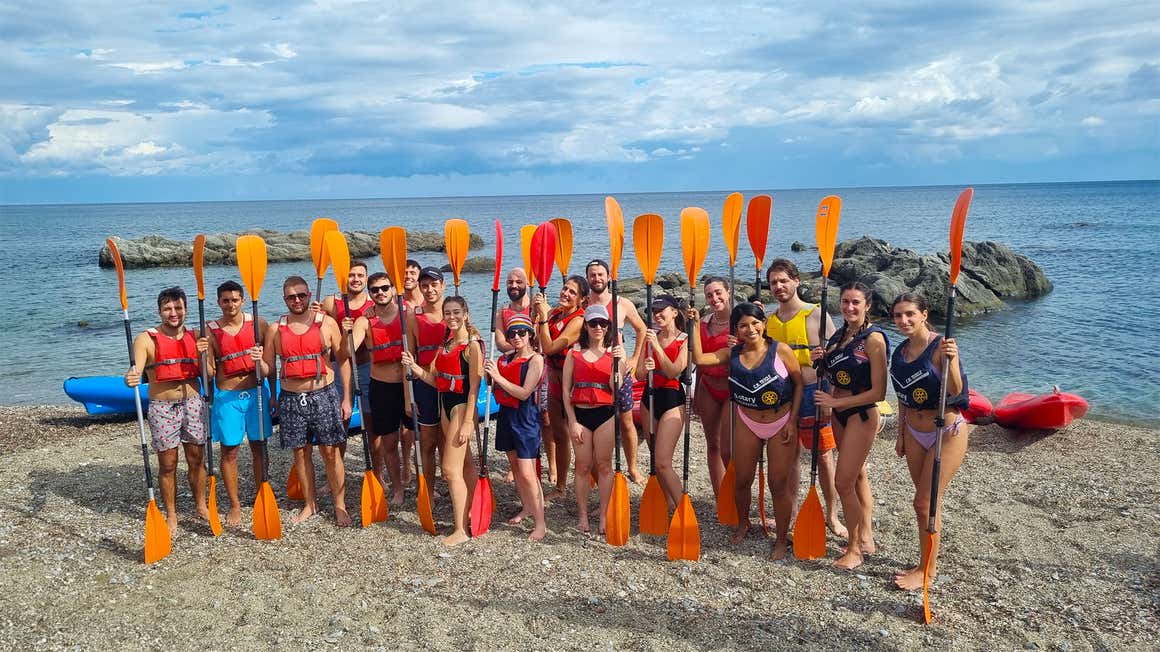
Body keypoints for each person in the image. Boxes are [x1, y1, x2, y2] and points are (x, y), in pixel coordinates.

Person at [689, 302, 803, 559]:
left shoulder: (780, 350)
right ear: (736, 330)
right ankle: (743, 523)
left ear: (763, 324)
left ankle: (782, 539)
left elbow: (798, 384)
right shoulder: (732, 353)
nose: (750, 329)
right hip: (747, 422)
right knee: (741, 480)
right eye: (743, 325)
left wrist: (792, 422)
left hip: (780, 422)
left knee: (778, 484)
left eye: (754, 323)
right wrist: (695, 325)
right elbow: (699, 359)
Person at [889, 292, 970, 590]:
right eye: (898, 315)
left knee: (924, 502)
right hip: (913, 431)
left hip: (945, 432)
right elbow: (901, 397)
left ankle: (928, 571)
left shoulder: (941, 347)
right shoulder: (900, 353)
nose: (904, 320)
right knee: (925, 504)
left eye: (910, 313)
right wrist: (900, 434)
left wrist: (953, 359)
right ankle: (924, 561)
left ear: (924, 313)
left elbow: (957, 390)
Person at [812, 281, 889, 570]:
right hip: (840, 412)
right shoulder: (840, 335)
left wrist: (836, 405)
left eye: (856, 302)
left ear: (867, 305)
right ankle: (866, 537)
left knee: (842, 481)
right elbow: (836, 374)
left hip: (860, 414)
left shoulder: (874, 340)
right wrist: (821, 359)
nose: (849, 307)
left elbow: (879, 393)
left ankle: (855, 550)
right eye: (845, 302)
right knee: (857, 477)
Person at [764, 259, 845, 537]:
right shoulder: (768, 322)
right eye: (774, 282)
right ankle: (794, 511)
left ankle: (832, 515)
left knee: (823, 456)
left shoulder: (816, 315)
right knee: (791, 456)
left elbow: (837, 358)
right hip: (784, 396)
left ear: (796, 281)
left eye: (784, 281)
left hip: (814, 392)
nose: (779, 286)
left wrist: (831, 398)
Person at [263, 276, 353, 526]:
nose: (297, 300)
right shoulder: (274, 329)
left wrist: (346, 398)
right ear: (285, 299)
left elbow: (343, 358)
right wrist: (256, 360)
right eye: (292, 296)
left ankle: (339, 505)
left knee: (331, 452)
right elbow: (268, 368)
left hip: (323, 394)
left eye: (301, 295)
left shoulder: (327, 323)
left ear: (308, 294)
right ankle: (309, 504)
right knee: (300, 454)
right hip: (291, 398)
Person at [124, 287, 210, 537]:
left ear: (185, 309)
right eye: (168, 309)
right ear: (160, 311)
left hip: (193, 403)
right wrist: (130, 377)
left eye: (178, 308)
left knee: (196, 459)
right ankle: (171, 513)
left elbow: (211, 372)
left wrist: (203, 354)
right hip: (162, 407)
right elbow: (135, 370)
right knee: (168, 463)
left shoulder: (197, 337)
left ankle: (201, 505)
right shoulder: (145, 339)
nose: (173, 313)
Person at [402, 296, 483, 546]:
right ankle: (471, 513)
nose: (451, 317)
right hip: (445, 407)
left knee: (449, 470)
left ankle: (461, 530)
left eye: (456, 312)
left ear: (466, 314)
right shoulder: (445, 344)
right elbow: (433, 379)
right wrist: (414, 367)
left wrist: (469, 422)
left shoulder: (472, 347)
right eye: (447, 313)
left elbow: (473, 389)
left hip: (460, 409)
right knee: (466, 464)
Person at [204, 280, 272, 526]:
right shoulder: (210, 330)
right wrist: (202, 355)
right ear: (218, 302)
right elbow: (209, 372)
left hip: (256, 394)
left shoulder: (259, 324)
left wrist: (273, 394)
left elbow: (270, 366)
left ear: (243, 300)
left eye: (234, 300)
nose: (230, 305)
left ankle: (261, 493)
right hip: (227, 397)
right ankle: (234, 504)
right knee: (230, 451)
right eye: (225, 300)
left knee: (259, 447)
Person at [562, 304, 626, 534]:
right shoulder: (574, 352)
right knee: (582, 466)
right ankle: (582, 515)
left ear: (608, 326)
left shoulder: (615, 353)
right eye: (593, 323)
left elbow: (614, 388)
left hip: (605, 414)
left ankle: (604, 514)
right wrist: (572, 421)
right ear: (586, 326)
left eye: (603, 323)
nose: (598, 327)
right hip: (580, 413)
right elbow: (565, 390)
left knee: (604, 465)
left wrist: (619, 363)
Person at [483, 313, 547, 541]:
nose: (517, 337)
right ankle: (527, 507)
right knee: (516, 467)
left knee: (529, 473)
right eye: (512, 333)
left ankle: (540, 523)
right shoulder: (505, 358)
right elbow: (492, 385)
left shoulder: (536, 360)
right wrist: (488, 374)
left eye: (522, 332)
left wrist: (497, 377)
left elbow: (524, 392)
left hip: (526, 418)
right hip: (506, 416)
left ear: (530, 335)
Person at [347, 273, 408, 505]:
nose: (380, 292)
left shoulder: (407, 315)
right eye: (375, 290)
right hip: (381, 388)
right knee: (390, 442)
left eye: (384, 288)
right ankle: (398, 490)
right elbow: (347, 352)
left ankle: (423, 482)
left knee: (419, 437)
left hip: (408, 385)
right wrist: (348, 332)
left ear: (393, 288)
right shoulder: (364, 321)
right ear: (370, 294)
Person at [585, 259, 646, 484]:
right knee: (595, 423)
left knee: (627, 422)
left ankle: (632, 467)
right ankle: (599, 471)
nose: (597, 279)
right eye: (592, 275)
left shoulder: (622, 304)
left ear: (609, 276)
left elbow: (641, 329)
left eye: (601, 274)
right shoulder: (584, 305)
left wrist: (634, 358)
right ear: (588, 279)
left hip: (618, 371)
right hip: (591, 373)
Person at [533, 274, 587, 500]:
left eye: (572, 292)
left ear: (581, 299)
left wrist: (543, 318)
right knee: (559, 433)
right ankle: (561, 487)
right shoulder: (554, 313)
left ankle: (587, 481)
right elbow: (537, 341)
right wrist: (539, 316)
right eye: (565, 289)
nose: (566, 294)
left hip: (573, 383)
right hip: (552, 380)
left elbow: (550, 347)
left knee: (580, 437)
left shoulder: (578, 320)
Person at [636, 295, 689, 511]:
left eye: (662, 310)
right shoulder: (650, 337)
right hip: (649, 399)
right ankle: (667, 501)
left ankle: (683, 510)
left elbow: (674, 370)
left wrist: (657, 347)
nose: (657, 314)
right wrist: (646, 367)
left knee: (663, 462)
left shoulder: (685, 339)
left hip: (672, 400)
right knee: (655, 457)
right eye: (654, 310)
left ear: (674, 313)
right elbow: (638, 375)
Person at [404, 266, 447, 503]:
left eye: (434, 284)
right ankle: (428, 492)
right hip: (424, 386)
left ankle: (455, 483)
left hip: (451, 385)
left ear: (443, 285)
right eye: (425, 285)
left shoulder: (454, 310)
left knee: (450, 441)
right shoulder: (413, 316)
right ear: (420, 288)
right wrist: (406, 396)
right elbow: (408, 359)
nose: (429, 289)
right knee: (428, 443)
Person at [322, 260, 374, 447]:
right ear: (344, 277)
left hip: (366, 367)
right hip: (339, 366)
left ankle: (375, 471)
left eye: (360, 275)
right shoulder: (330, 302)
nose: (356, 279)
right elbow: (317, 332)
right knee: (340, 420)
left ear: (366, 278)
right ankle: (338, 469)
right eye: (351, 275)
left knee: (371, 424)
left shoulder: (374, 302)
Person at [692, 277, 733, 498]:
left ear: (728, 291)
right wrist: (697, 392)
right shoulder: (704, 323)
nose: (714, 298)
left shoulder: (740, 322)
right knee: (713, 444)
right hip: (707, 386)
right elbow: (698, 362)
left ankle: (736, 493)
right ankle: (721, 497)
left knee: (728, 449)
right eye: (709, 295)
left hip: (731, 390)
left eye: (718, 293)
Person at [494, 268, 532, 353]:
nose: (514, 285)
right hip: (512, 359)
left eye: (519, 282)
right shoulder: (501, 313)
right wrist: (522, 352)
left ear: (528, 284)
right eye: (510, 282)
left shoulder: (537, 308)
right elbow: (501, 344)